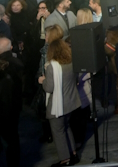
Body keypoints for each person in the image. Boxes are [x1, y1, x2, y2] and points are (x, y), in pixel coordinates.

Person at [40, 37, 80, 165]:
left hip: (58, 105)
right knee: (66, 127)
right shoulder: (72, 62)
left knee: (58, 132)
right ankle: (73, 153)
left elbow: (49, 88)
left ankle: (65, 159)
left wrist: (42, 81)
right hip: (70, 102)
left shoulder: (52, 67)